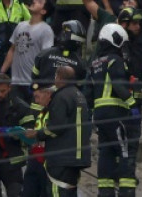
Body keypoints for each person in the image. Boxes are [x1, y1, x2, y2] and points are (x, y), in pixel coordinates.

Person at [89, 25, 137, 197]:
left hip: (100, 116)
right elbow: (117, 84)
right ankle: (126, 191)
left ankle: (105, 191)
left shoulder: (95, 63)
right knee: (124, 150)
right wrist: (132, 104)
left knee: (106, 152)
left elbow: (88, 92)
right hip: (116, 113)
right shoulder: (115, 61)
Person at [37, 66, 91, 197]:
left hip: (61, 157)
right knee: (70, 191)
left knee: (57, 191)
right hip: (77, 157)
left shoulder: (61, 96)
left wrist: (38, 134)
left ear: (59, 78)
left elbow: (56, 127)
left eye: (56, 77)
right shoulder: (80, 95)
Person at [0, 0, 54, 102]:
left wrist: (40, 83)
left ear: (43, 11)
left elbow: (46, 57)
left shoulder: (46, 30)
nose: (34, 1)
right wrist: (2, 73)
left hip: (32, 83)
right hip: (15, 82)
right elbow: (12, 50)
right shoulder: (20, 25)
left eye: (39, 2)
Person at [31, 20, 87, 93]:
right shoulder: (80, 63)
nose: (78, 44)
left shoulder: (44, 54)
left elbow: (34, 79)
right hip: (63, 101)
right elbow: (80, 88)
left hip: (42, 99)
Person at [21, 85, 53, 197]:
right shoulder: (42, 112)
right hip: (35, 158)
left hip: (47, 161)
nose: (36, 101)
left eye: (38, 97)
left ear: (48, 94)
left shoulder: (55, 111)